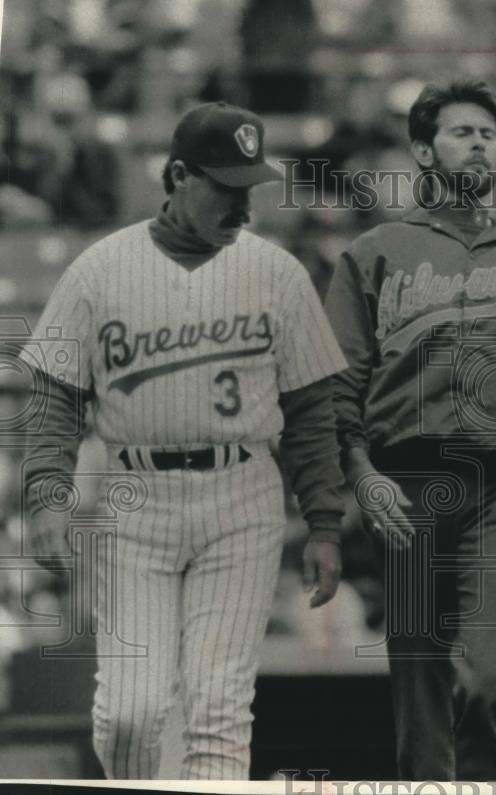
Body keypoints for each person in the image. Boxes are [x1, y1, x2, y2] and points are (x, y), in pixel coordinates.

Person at [19, 101, 348, 779]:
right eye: (225, 187)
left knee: (217, 712)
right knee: (130, 713)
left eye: (249, 187)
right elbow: (55, 396)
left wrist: (323, 522)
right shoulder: (99, 269)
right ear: (177, 176)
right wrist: (48, 495)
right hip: (136, 495)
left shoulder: (279, 273)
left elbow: (312, 411)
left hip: (242, 493)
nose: (242, 205)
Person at [323, 77, 496, 781]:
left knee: (490, 676)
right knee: (422, 688)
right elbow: (338, 383)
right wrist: (360, 472)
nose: (479, 144)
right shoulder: (375, 252)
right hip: (405, 484)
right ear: (423, 151)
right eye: (461, 132)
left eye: (489, 134)